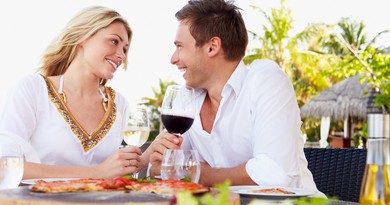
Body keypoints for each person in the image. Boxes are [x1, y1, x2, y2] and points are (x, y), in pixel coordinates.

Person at [149, 0, 320, 194]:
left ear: (212, 47)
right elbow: (165, 170)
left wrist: (199, 174)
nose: (173, 58)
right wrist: (160, 163)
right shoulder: (185, 99)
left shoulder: (265, 80)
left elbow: (273, 174)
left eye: (180, 46)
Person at [0, 6, 149, 179]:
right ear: (83, 37)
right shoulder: (33, 89)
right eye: (114, 41)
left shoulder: (119, 104)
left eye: (125, 49)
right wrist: (96, 173)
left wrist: (145, 160)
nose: (121, 56)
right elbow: (4, 167)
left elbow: (113, 176)